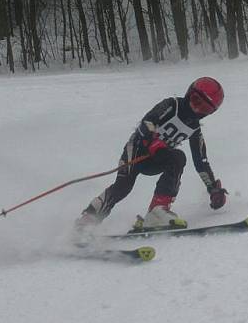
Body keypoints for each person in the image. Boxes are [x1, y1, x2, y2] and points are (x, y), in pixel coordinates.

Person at [75, 77, 229, 232]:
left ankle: (158, 211)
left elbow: (201, 161)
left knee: (178, 158)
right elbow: (146, 123)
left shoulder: (195, 129)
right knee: (123, 186)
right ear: (189, 93)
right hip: (136, 152)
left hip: (157, 158)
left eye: (204, 109)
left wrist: (212, 188)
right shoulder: (172, 105)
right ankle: (88, 219)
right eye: (196, 101)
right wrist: (153, 141)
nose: (197, 109)